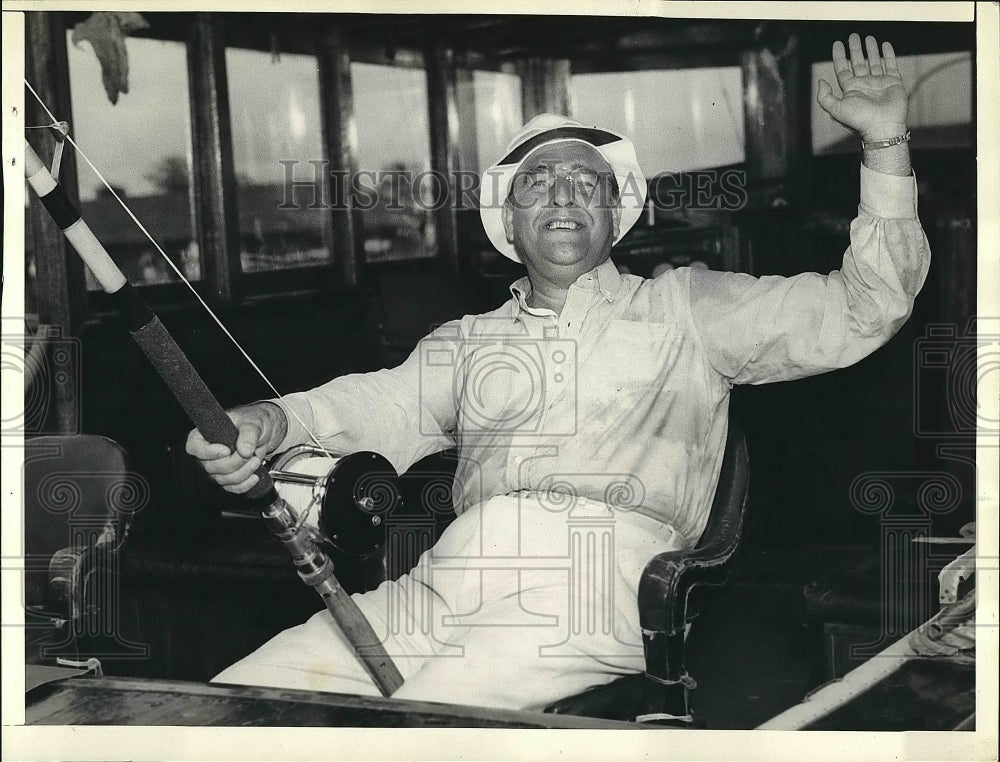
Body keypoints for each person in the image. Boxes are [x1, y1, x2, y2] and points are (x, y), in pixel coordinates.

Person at [187, 34, 929, 711]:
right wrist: (271, 421)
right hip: (447, 578)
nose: (565, 197)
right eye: (539, 184)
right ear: (509, 223)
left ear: (616, 215)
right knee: (239, 699)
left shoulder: (689, 305)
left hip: (597, 581)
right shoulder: (470, 340)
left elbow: (866, 307)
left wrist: (885, 142)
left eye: (588, 183)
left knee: (424, 726)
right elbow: (375, 403)